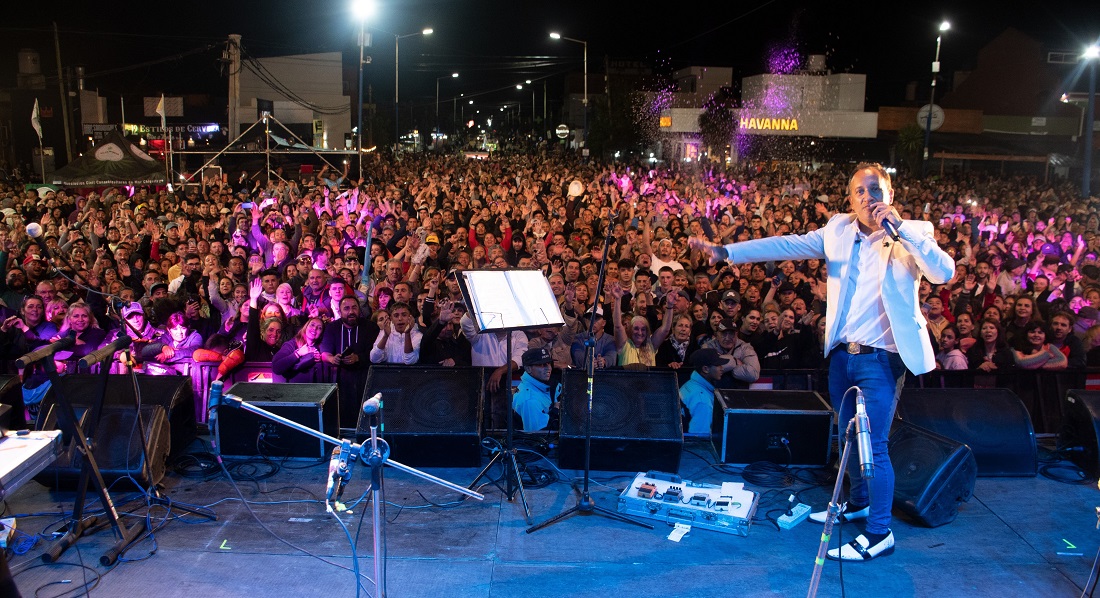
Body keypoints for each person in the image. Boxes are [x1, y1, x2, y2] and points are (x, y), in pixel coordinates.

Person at [690, 162, 955, 562]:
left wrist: (900, 230)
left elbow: (943, 272)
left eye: (875, 190)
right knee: (848, 440)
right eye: (860, 192)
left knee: (875, 446)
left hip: (883, 359)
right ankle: (861, 503)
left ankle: (880, 533)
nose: (868, 198)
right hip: (843, 358)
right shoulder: (837, 230)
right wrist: (728, 252)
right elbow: (786, 244)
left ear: (890, 195)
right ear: (850, 199)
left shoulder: (913, 232)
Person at [678, 348, 730, 434]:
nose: (722, 368)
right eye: (718, 365)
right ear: (706, 369)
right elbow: (700, 440)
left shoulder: (689, 384)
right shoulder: (703, 402)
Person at [513, 346, 557, 432]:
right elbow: (538, 436)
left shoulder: (542, 385)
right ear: (528, 369)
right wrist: (556, 410)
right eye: (541, 365)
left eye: (548, 363)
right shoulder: (530, 400)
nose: (548, 368)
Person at [272, 317, 325, 382]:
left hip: (312, 389)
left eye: (319, 328)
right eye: (312, 325)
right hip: (293, 388)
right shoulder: (291, 344)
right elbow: (276, 368)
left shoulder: (320, 348)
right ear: (306, 327)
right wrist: (298, 354)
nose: (315, 328)